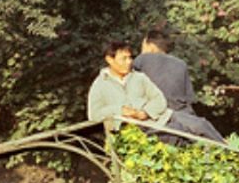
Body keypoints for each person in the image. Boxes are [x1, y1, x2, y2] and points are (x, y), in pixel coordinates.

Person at [87, 41, 226, 145]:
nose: (129, 62)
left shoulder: (138, 77)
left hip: (162, 116)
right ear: (110, 60)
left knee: (200, 125)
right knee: (181, 133)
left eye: (130, 58)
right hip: (141, 128)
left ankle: (231, 151)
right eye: (124, 59)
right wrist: (121, 111)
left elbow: (159, 99)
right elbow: (94, 114)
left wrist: (146, 112)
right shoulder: (100, 85)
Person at [133, 29, 198, 114]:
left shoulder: (141, 60)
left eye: (143, 46)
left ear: (151, 46)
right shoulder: (181, 64)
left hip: (151, 113)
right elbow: (189, 98)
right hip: (180, 113)